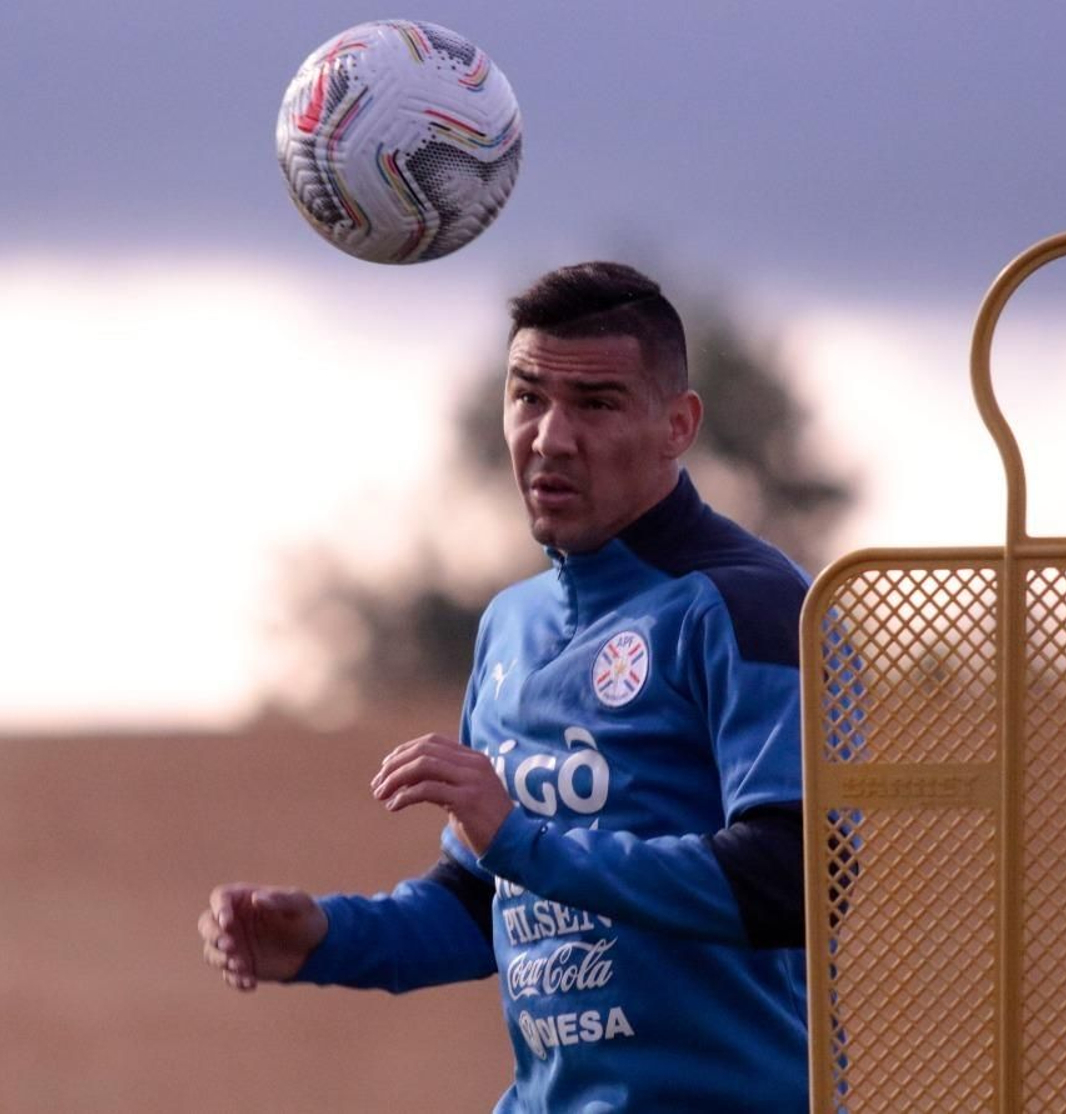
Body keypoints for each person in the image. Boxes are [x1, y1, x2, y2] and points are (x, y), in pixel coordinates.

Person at [198, 262, 810, 1112]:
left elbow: (794, 877)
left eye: (596, 404)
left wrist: (525, 841)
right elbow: (487, 898)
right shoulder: (510, 626)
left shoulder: (751, 605)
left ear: (679, 424)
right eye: (528, 397)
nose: (552, 437)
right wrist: (329, 939)